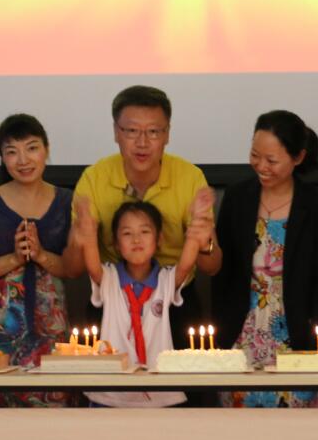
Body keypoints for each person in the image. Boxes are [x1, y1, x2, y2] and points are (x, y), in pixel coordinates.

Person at [64, 85, 220, 339]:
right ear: (116, 132)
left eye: (153, 131)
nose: (142, 143)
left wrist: (203, 241)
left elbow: (212, 266)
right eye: (132, 131)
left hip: (174, 298)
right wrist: (79, 240)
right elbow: (73, 270)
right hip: (113, 298)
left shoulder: (190, 178)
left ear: (167, 134)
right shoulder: (94, 179)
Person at [212, 110, 318, 408]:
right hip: (240, 337)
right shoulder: (237, 198)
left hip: (296, 339)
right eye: (255, 156)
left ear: (298, 157)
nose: (261, 166)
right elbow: (222, 274)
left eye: (272, 160)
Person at [0, 114, 75, 407]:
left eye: (32, 148)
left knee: (51, 409)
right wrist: (14, 258)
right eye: (12, 151)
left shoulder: (66, 201)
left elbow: (73, 269)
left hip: (50, 325)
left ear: (47, 149)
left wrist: (41, 256)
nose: (23, 160)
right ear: (2, 157)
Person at [74, 199, 209, 407]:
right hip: (111, 390)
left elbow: (186, 265)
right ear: (116, 244)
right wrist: (89, 234)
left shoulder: (165, 280)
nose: (136, 239)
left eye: (145, 231)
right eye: (127, 233)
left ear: (159, 239)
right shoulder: (110, 278)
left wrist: (196, 225)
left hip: (158, 389)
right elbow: (92, 266)